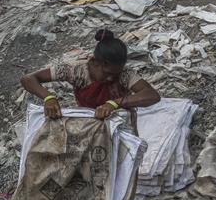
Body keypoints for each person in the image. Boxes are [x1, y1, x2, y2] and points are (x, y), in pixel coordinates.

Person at [20, 29, 161, 130]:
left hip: (120, 123)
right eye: (107, 73)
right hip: (88, 122)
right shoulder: (76, 71)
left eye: (115, 74)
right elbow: (28, 79)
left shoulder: (124, 74)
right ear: (94, 62)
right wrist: (48, 98)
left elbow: (152, 95)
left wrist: (114, 103)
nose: (111, 78)